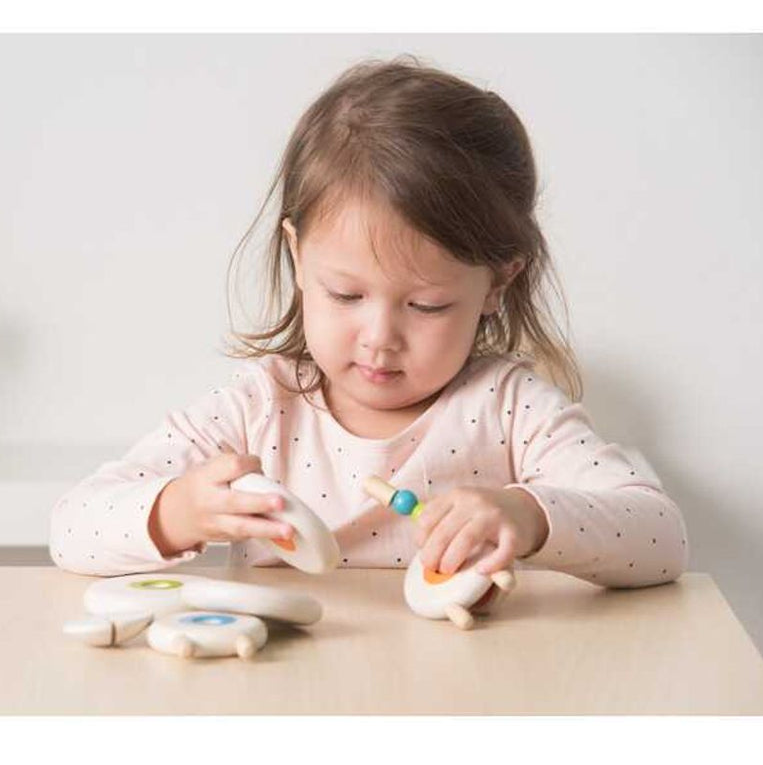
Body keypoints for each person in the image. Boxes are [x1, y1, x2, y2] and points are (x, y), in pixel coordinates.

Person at [49, 56, 688, 588]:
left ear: (498, 281)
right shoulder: (257, 409)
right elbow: (72, 526)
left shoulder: (510, 409)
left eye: (427, 305)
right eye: (346, 295)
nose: (379, 337)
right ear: (299, 258)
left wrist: (528, 517)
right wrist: (178, 512)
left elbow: (659, 535)